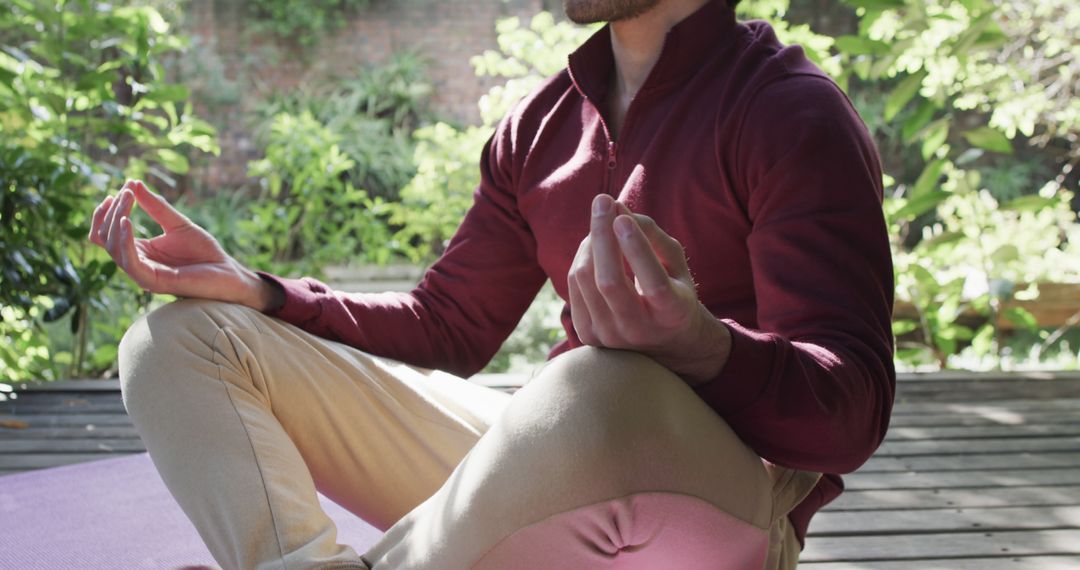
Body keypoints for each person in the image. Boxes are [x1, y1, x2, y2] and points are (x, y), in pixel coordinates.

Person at [88, 0, 895, 567]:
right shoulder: (541, 128)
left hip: (729, 513)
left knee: (597, 382)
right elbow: (449, 325)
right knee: (176, 340)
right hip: (558, 472)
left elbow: (851, 415)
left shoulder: (791, 112)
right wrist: (261, 293)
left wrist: (702, 349)